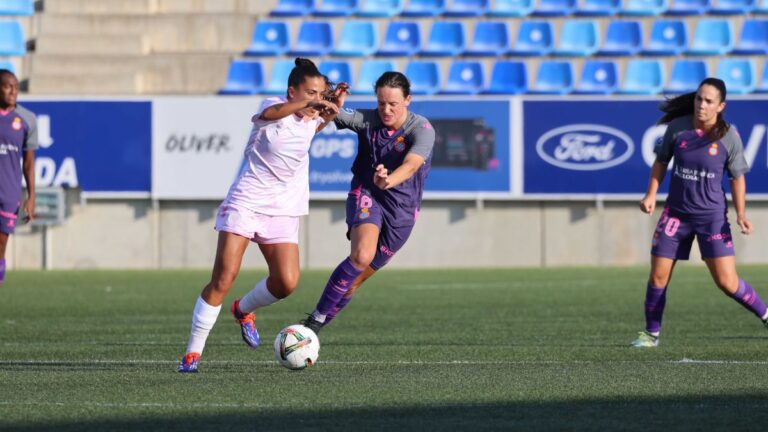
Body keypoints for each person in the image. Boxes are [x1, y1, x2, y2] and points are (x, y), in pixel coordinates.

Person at [178, 58, 344, 372]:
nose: (316, 99)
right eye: (309, 92)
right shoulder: (274, 106)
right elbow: (270, 115)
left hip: (283, 208)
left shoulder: (310, 118)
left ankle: (243, 309)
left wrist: (329, 110)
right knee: (223, 278)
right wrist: (308, 102)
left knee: (286, 282)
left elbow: (308, 129)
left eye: (321, 93)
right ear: (292, 90)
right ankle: (192, 355)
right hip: (247, 202)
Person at [631, 77, 768, 348]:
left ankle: (765, 314)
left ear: (720, 106)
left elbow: (737, 178)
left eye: (708, 101)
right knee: (658, 275)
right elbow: (661, 161)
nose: (701, 105)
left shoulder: (729, 136)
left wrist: (741, 214)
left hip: (711, 218)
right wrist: (650, 194)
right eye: (698, 99)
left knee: (727, 282)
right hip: (676, 214)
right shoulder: (678, 128)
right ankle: (651, 334)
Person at [300, 71, 435, 334]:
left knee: (352, 283)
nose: (385, 109)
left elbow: (411, 166)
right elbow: (329, 111)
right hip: (368, 193)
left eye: (393, 104)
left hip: (403, 212)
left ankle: (309, 335)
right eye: (381, 102)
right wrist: (327, 99)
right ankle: (314, 321)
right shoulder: (367, 120)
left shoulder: (422, 129)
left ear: (408, 100)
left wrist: (389, 180)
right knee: (361, 256)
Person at [0, 69, 37, 286]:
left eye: (16, 87)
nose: (14, 91)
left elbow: (29, 163)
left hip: (8, 191)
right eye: (8, 86)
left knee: (1, 244)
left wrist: (31, 196)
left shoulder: (27, 120)